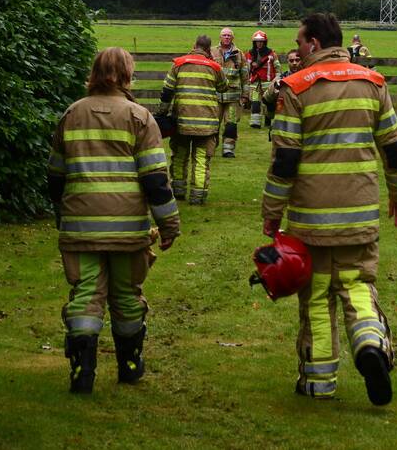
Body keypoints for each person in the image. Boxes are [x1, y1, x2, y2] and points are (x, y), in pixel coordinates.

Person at [261, 13, 397, 405]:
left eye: (298, 43)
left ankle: (318, 383)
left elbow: (285, 162)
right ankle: (370, 347)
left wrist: (272, 210)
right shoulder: (373, 82)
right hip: (359, 216)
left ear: (313, 43)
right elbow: (395, 151)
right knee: (358, 285)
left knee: (316, 298)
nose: (295, 50)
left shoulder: (295, 89)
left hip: (310, 222)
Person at [47, 47, 181, 394]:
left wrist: (64, 217)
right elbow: (155, 180)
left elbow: (55, 178)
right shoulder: (139, 118)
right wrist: (169, 225)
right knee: (126, 295)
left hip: (80, 227)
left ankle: (83, 369)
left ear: (94, 73)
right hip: (126, 230)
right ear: (126, 75)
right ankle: (130, 364)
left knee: (85, 295)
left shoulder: (71, 114)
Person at [158, 34, 227, 205]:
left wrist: (162, 112)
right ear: (209, 49)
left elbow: (167, 91)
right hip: (207, 124)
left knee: (180, 156)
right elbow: (223, 87)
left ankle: (179, 191)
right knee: (201, 160)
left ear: (194, 45)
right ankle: (198, 196)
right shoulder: (215, 67)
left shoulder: (179, 64)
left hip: (181, 121)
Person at [210, 27, 249, 158]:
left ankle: (228, 149)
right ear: (220, 37)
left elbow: (245, 76)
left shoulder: (239, 54)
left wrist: (245, 95)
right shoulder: (212, 52)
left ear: (232, 38)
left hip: (233, 97)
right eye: (224, 35)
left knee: (231, 124)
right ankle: (210, 148)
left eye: (229, 35)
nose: (226, 37)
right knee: (213, 124)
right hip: (215, 96)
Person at [246, 30, 281, 129]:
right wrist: (247, 81)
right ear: (254, 42)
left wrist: (277, 80)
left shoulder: (271, 54)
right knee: (255, 103)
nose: (259, 43)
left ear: (265, 42)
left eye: (261, 41)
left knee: (268, 103)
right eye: (257, 41)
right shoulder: (250, 54)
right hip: (255, 83)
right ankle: (255, 124)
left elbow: (277, 67)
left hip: (268, 83)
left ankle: (268, 121)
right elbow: (247, 69)